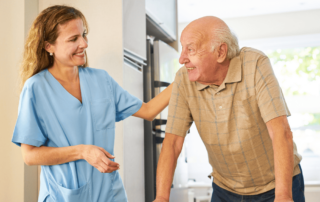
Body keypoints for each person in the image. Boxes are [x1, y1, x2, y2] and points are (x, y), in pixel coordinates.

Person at [12, 5, 173, 202]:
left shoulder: (101, 80)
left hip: (110, 194)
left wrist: (182, 79)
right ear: (49, 46)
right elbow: (30, 156)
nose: (84, 44)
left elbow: (148, 111)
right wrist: (82, 151)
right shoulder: (36, 88)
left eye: (84, 35)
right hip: (64, 196)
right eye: (73, 39)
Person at [153, 16, 305, 202]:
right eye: (183, 49)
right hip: (225, 189)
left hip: (276, 185)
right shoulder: (184, 80)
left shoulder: (255, 64)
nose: (182, 58)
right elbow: (172, 142)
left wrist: (283, 195)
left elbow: (280, 131)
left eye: (190, 49)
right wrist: (161, 197)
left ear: (220, 52)